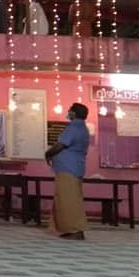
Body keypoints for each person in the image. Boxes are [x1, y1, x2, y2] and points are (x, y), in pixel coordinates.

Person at [44, 102, 90, 240]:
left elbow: (60, 145)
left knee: (68, 200)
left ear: (74, 113)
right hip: (74, 168)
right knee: (68, 198)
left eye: (69, 110)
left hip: (68, 168)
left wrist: (48, 154)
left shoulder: (73, 127)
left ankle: (76, 230)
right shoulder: (83, 128)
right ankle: (70, 229)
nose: (68, 112)